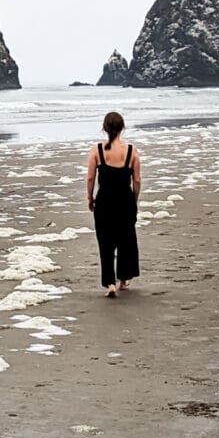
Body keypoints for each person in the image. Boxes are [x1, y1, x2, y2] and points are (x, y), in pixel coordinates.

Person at [87, 110, 141, 298]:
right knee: (126, 239)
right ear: (122, 128)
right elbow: (137, 180)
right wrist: (134, 200)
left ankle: (110, 283)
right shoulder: (131, 151)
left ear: (104, 128)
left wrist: (90, 198)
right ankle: (123, 280)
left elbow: (90, 177)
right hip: (125, 199)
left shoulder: (97, 151)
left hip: (104, 201)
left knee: (105, 241)